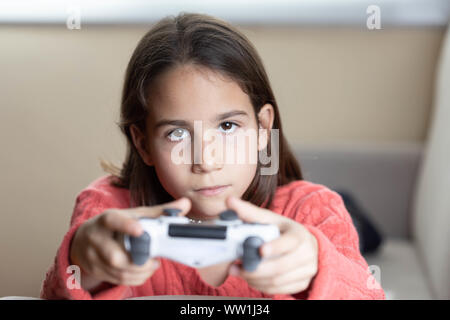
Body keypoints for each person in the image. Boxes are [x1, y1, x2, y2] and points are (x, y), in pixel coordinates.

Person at [40, 12, 385, 300]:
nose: (205, 161)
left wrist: (317, 265)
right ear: (143, 144)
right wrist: (82, 263)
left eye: (228, 127)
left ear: (264, 127)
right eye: (176, 133)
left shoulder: (313, 212)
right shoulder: (108, 212)